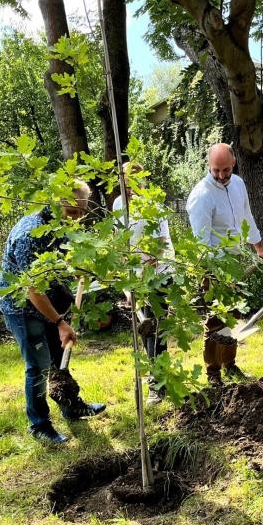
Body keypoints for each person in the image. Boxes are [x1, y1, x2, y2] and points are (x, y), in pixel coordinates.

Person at [0, 182, 106, 445]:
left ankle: (71, 406)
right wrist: (59, 322)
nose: (78, 217)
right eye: (73, 211)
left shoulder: (61, 227)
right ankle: (40, 425)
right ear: (57, 205)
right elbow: (33, 291)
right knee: (38, 366)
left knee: (60, 359)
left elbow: (63, 262)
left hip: (49, 303)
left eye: (82, 211)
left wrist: (78, 269)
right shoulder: (30, 235)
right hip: (23, 308)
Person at [186, 142, 263, 385]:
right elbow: (202, 243)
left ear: (233, 163)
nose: (222, 176)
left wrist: (258, 247)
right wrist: (216, 274)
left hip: (235, 261)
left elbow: (247, 217)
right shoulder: (202, 196)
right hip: (212, 266)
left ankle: (230, 364)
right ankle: (213, 373)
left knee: (232, 316)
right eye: (216, 170)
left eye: (226, 170)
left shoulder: (238, 184)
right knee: (216, 320)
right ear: (209, 166)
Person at [113, 163, 175, 405]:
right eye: (126, 185)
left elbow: (160, 245)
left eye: (134, 184)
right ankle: (155, 376)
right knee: (145, 328)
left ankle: (156, 384)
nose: (130, 190)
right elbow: (120, 246)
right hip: (135, 276)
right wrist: (127, 286)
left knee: (155, 328)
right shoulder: (118, 205)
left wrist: (142, 280)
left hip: (158, 273)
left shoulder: (153, 206)